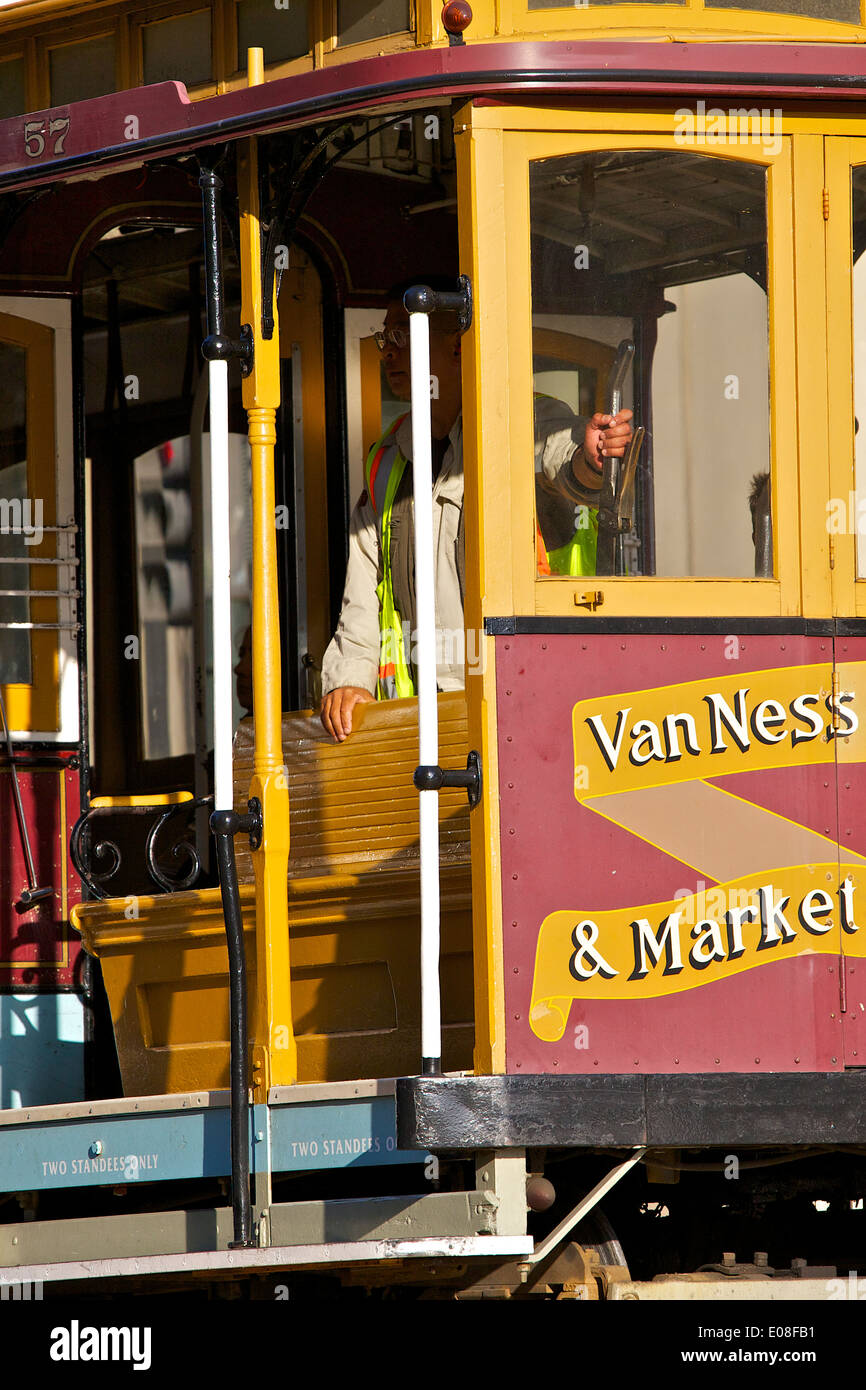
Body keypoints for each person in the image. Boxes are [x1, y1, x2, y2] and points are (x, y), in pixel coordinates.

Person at [320, 279, 633, 742]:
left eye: (401, 336)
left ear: (458, 352)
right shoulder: (387, 456)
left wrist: (590, 458)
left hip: (531, 711)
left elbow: (558, 454)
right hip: (421, 719)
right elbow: (365, 589)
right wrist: (349, 678)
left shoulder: (520, 424)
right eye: (385, 338)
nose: (387, 352)